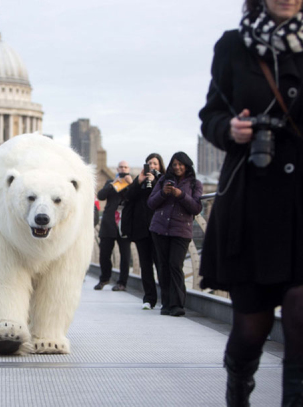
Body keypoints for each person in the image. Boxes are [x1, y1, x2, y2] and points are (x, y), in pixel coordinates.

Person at [199, 1, 303, 404]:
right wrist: (230, 129)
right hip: (252, 199)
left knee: (299, 311)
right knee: (251, 326)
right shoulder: (233, 46)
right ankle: (238, 385)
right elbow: (210, 114)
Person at [147, 152, 202, 318]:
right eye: (174, 164)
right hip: (159, 229)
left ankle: (177, 304)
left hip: (181, 231)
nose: (177, 167)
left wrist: (181, 195)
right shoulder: (163, 180)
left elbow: (196, 208)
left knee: (175, 265)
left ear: (187, 165)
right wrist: (163, 192)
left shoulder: (195, 184)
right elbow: (151, 203)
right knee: (163, 266)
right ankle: (166, 303)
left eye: (181, 164)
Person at [122, 153, 166, 310]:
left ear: (160, 165)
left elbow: (163, 198)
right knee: (145, 266)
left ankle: (165, 299)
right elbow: (127, 197)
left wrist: (155, 182)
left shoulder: (164, 180)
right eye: (149, 163)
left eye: (155, 163)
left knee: (160, 264)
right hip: (141, 229)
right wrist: (138, 181)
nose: (152, 166)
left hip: (158, 229)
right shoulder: (139, 181)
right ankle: (149, 299)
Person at [94, 161, 132, 292]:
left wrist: (130, 184)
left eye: (125, 167)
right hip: (109, 222)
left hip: (125, 223)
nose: (123, 169)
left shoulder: (132, 183)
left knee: (125, 256)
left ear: (129, 169)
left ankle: (122, 283)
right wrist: (113, 184)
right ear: (117, 169)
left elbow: (135, 198)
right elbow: (101, 196)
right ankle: (104, 278)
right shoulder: (111, 182)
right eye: (121, 167)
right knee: (104, 254)